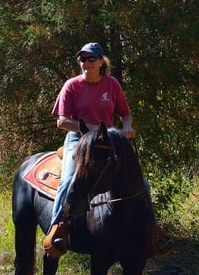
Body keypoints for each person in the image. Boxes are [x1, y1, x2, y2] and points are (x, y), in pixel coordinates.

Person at [43, 42, 174, 258]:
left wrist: (128, 126)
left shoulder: (111, 84)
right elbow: (62, 121)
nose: (86, 63)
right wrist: (91, 128)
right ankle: (58, 229)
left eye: (91, 59)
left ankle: (153, 234)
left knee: (142, 184)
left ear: (101, 61)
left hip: (109, 141)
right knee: (67, 181)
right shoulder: (72, 86)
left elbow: (125, 113)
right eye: (82, 59)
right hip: (80, 139)